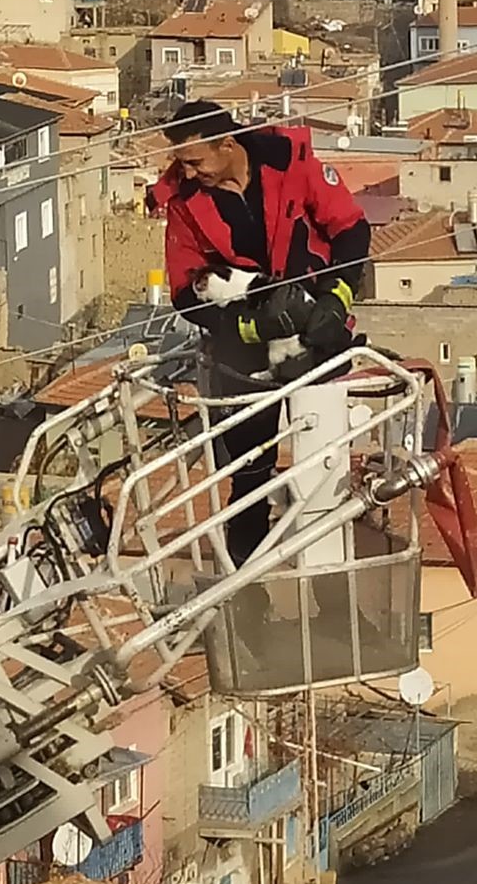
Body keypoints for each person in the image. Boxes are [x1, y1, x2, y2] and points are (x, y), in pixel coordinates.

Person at [148, 99, 370, 569]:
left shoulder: (289, 162)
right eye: (181, 164)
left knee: (325, 466)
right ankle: (248, 584)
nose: (188, 172)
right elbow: (186, 291)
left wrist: (337, 300)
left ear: (227, 144)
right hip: (242, 352)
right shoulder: (185, 203)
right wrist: (246, 326)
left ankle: (328, 576)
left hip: (318, 331)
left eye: (195, 161)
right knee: (249, 471)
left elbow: (351, 230)